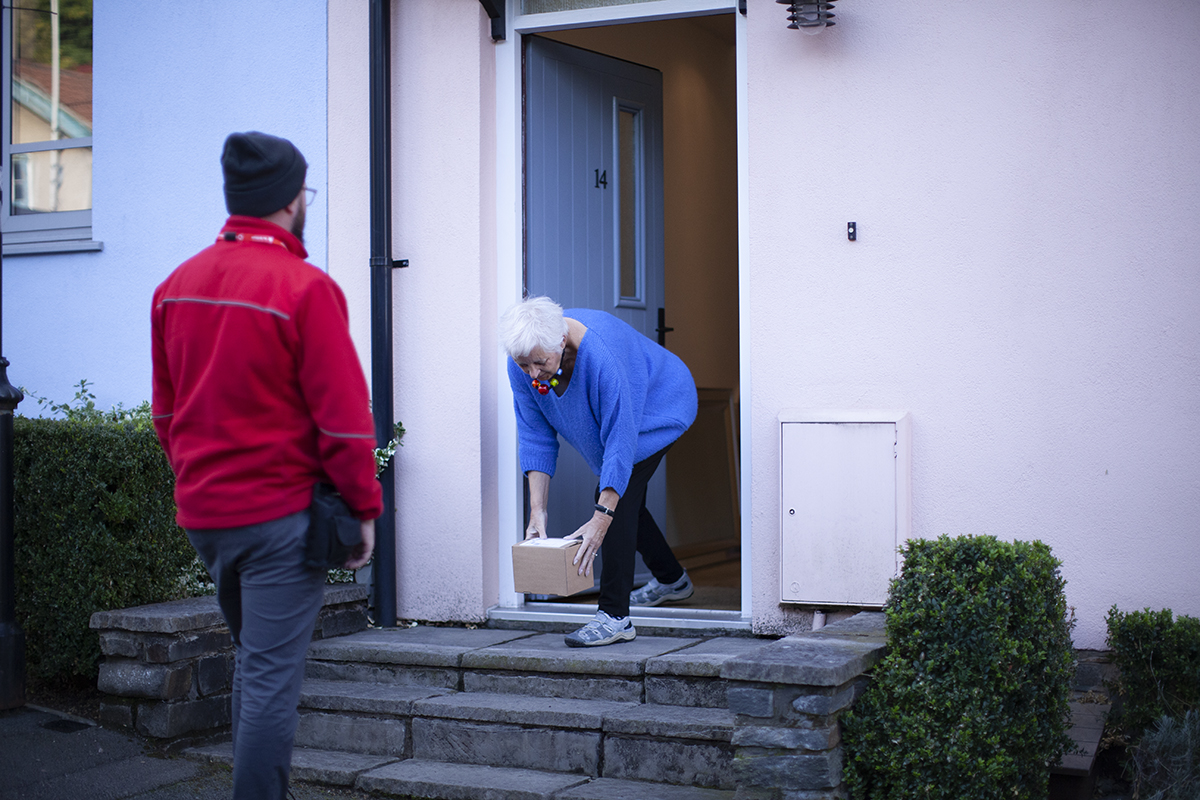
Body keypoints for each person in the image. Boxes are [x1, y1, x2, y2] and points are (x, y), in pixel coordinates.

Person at [151, 131, 382, 800]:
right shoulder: (305, 289)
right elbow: (343, 420)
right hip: (278, 520)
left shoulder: (175, 286)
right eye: (305, 193)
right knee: (271, 681)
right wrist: (363, 507)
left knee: (256, 665)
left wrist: (195, 478)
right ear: (288, 202)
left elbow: (166, 415)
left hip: (207, 518)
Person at [500, 296, 698, 647]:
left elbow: (621, 441)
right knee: (625, 501)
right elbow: (535, 436)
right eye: (523, 364)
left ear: (560, 341)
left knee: (613, 502)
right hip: (624, 422)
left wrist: (601, 517)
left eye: (539, 363)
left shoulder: (604, 354)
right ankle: (672, 579)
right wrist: (537, 512)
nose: (531, 374)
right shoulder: (526, 363)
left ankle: (614, 617)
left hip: (661, 405)